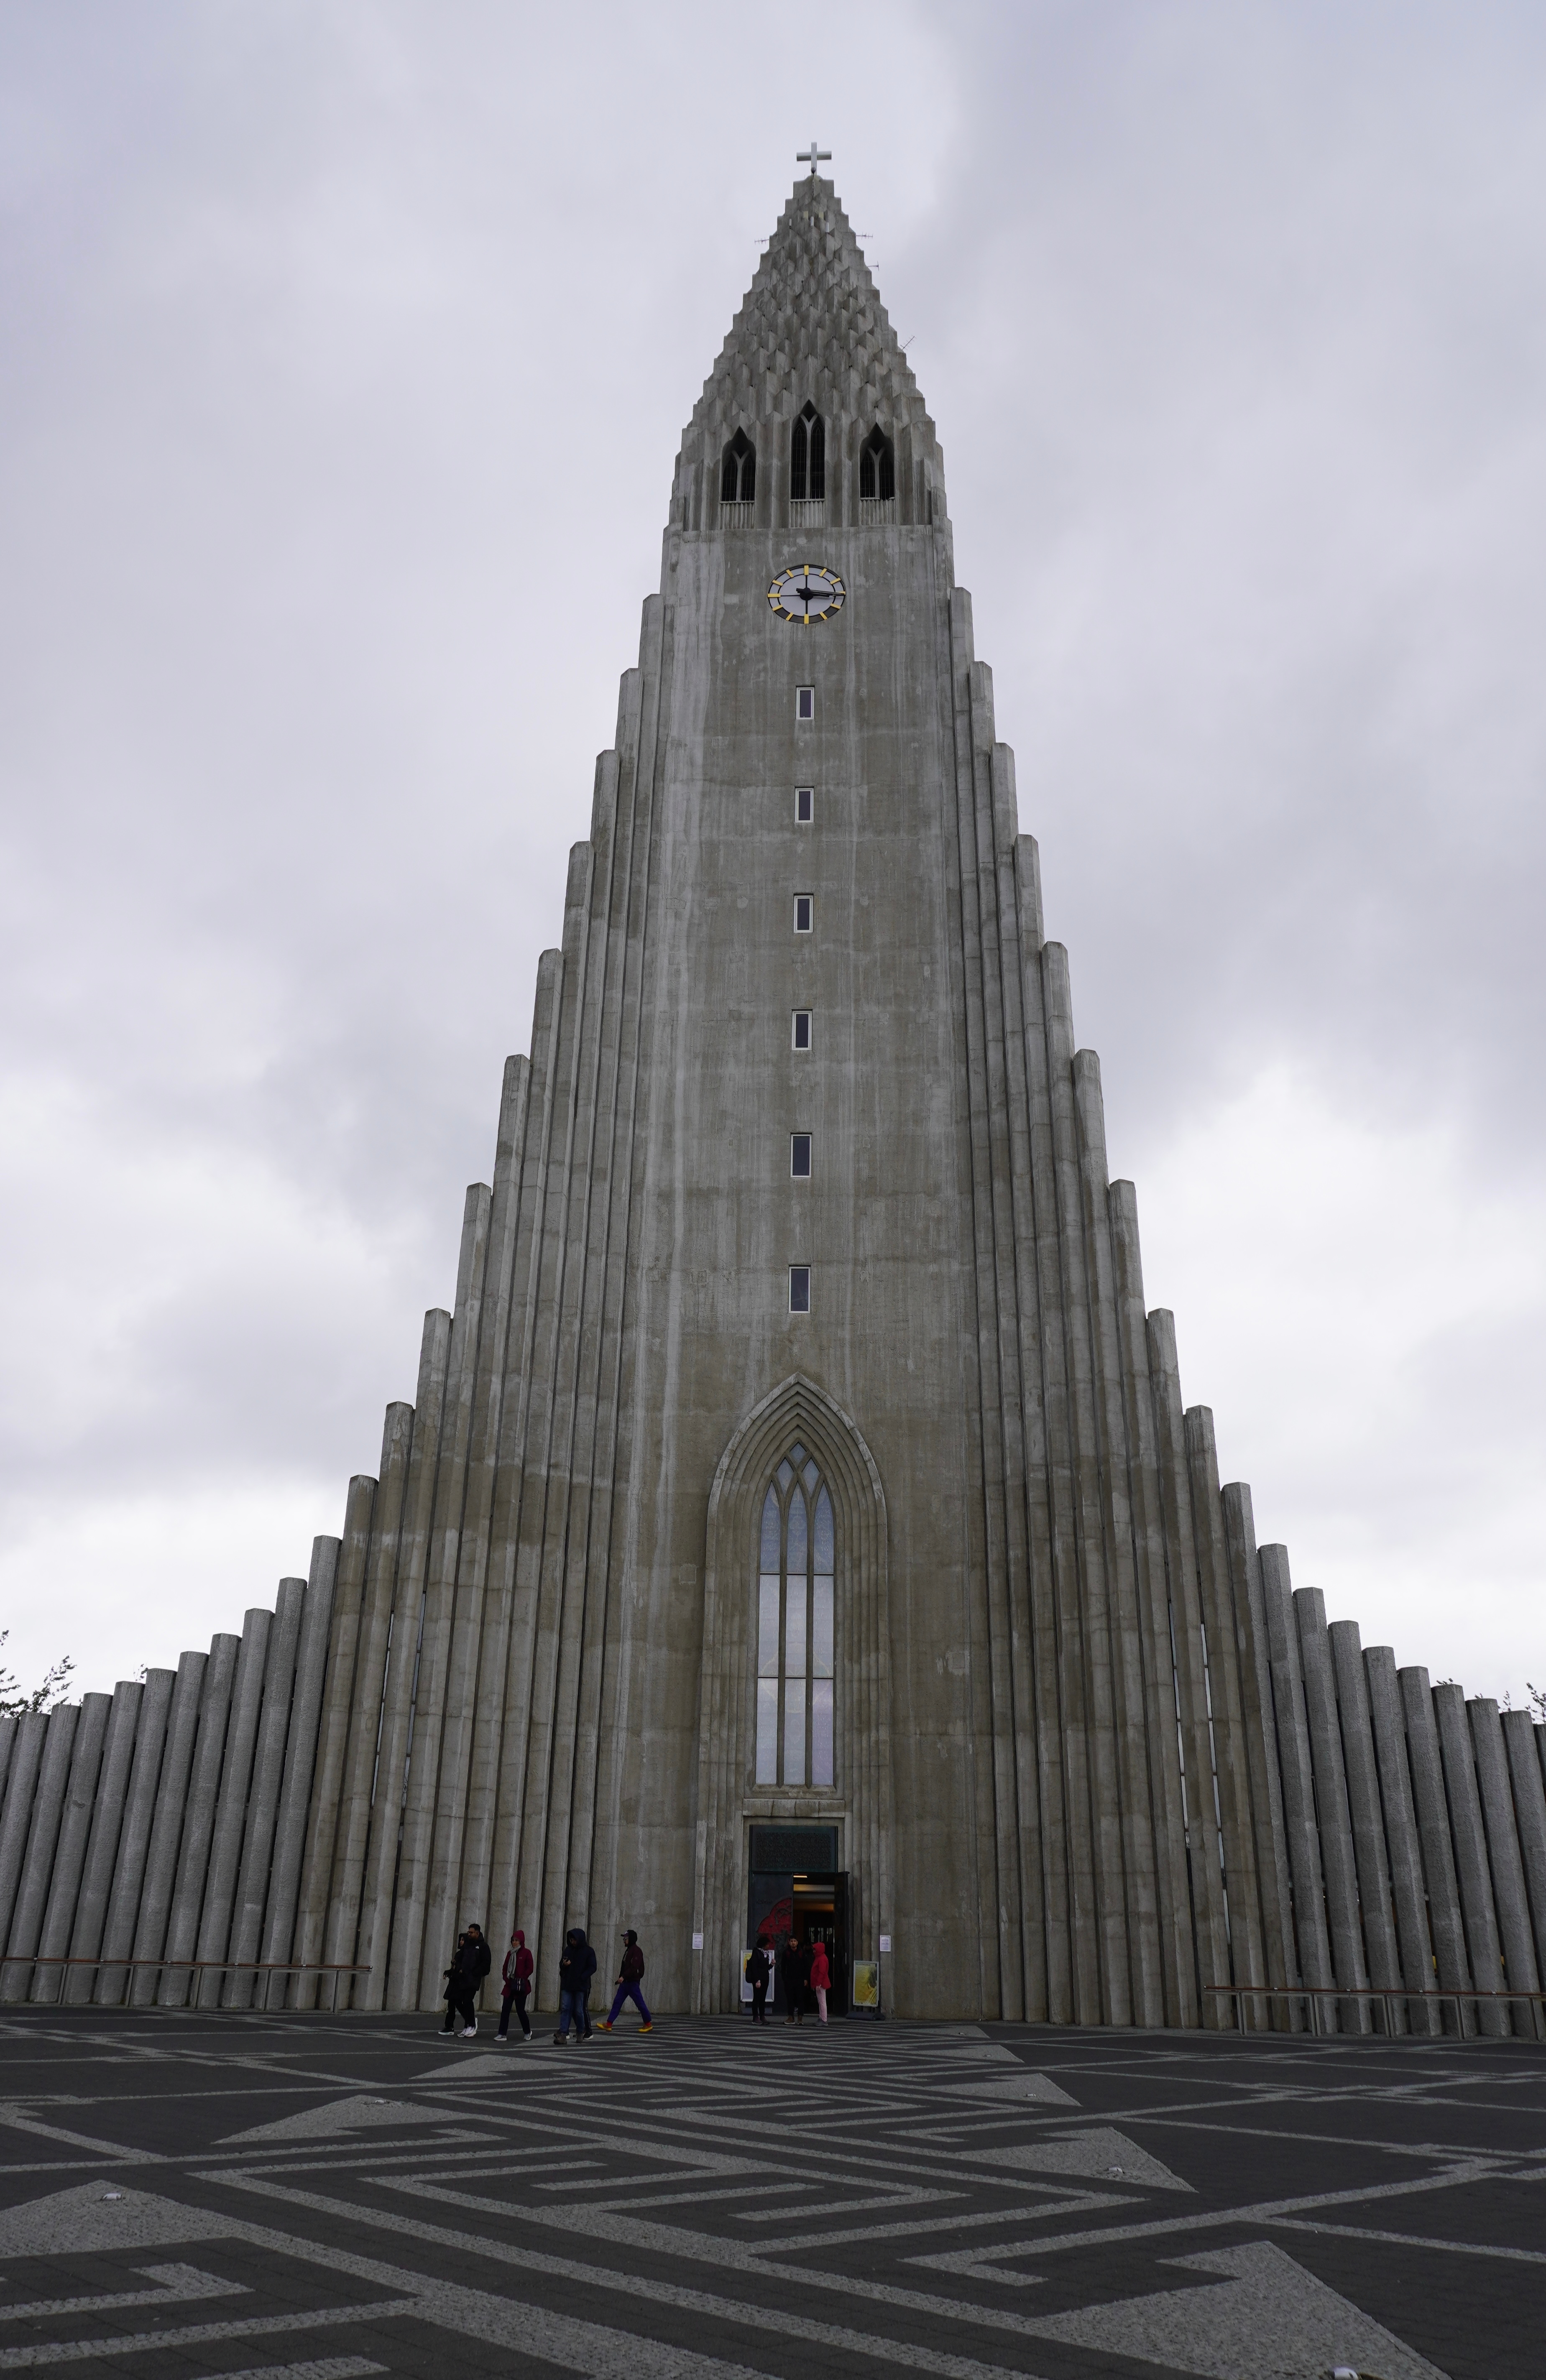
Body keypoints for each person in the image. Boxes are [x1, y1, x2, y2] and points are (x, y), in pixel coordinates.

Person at [598, 1929, 653, 2032]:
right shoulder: (629, 1950)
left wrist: (623, 1977)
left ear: (631, 1939)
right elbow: (625, 1966)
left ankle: (648, 2023)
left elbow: (634, 1967)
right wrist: (622, 1977)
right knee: (617, 2002)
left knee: (640, 2003)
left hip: (632, 1983)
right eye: (624, 1939)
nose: (624, 1941)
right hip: (626, 1983)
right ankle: (609, 2023)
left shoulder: (637, 1951)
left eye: (626, 1939)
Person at [553, 1926, 597, 2042]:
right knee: (566, 2008)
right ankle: (563, 2033)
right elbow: (561, 1964)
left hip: (581, 1985)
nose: (573, 1942)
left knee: (579, 2010)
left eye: (575, 1940)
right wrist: (564, 1966)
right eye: (571, 1940)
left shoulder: (589, 1951)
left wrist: (583, 1977)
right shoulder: (568, 1950)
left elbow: (593, 1967)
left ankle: (580, 2032)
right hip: (568, 1984)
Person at [496, 1928, 534, 2041]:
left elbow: (530, 1968)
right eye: (513, 1940)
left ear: (521, 1942)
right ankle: (502, 2034)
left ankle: (527, 2031)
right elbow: (505, 1968)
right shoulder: (510, 1953)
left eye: (517, 1940)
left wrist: (521, 1978)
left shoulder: (527, 1953)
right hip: (510, 1986)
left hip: (521, 1986)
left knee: (520, 2011)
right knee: (505, 2009)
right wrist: (507, 1979)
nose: (514, 1942)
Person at [440, 1932, 468, 2034]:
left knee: (457, 2004)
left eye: (463, 1940)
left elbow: (462, 1969)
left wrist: (455, 1973)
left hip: (459, 1983)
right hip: (454, 1982)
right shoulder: (459, 1953)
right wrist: (448, 1973)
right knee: (452, 2005)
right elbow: (454, 1968)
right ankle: (449, 2026)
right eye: (460, 1940)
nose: (461, 1942)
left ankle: (470, 2021)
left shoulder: (466, 1954)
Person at [777, 1933, 802, 2026]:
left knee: (800, 1998)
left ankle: (800, 2018)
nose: (793, 1943)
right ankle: (791, 2017)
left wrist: (805, 1978)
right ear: (789, 1942)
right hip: (789, 1980)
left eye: (795, 1941)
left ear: (797, 1942)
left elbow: (805, 1966)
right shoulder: (786, 1953)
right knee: (790, 1999)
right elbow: (783, 1966)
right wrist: (784, 1978)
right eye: (792, 1941)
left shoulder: (801, 1953)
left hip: (799, 1980)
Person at [747, 1936, 771, 2025]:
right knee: (757, 1998)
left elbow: (765, 1968)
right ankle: (755, 2017)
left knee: (763, 1998)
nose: (769, 1946)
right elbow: (755, 1968)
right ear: (763, 1945)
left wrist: (772, 1965)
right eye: (767, 1944)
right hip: (758, 1980)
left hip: (765, 1979)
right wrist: (757, 1980)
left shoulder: (766, 1954)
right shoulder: (756, 1953)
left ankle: (762, 2015)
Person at [808, 1937, 830, 2024]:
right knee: (821, 2001)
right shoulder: (821, 1957)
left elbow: (822, 1972)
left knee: (822, 2002)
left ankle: (824, 2019)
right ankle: (822, 2018)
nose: (814, 1951)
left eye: (815, 1950)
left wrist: (818, 1984)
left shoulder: (821, 1959)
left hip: (821, 1984)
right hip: (821, 1983)